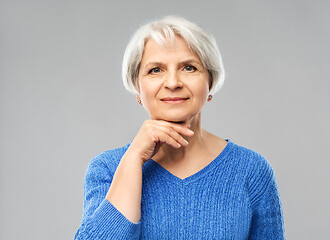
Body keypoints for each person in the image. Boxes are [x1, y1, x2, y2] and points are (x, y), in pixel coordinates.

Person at [75, 16, 285, 239]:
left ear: (210, 82)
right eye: (155, 70)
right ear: (138, 87)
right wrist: (134, 158)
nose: (173, 82)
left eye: (189, 67)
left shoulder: (251, 170)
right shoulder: (107, 169)